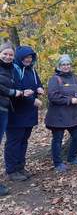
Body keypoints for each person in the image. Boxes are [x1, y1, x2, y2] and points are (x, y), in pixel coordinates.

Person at [5, 45, 44, 181]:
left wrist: (39, 88)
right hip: (16, 112)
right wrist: (32, 100)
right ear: (20, 57)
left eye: (30, 57)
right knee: (14, 142)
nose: (28, 60)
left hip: (29, 113)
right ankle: (11, 170)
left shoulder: (31, 70)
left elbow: (37, 83)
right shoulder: (14, 70)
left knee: (24, 141)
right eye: (26, 57)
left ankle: (20, 166)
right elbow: (16, 89)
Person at [45, 55, 77, 172]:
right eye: (63, 64)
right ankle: (57, 163)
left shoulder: (75, 78)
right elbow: (53, 97)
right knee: (57, 139)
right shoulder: (55, 79)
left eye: (68, 64)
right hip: (58, 117)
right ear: (59, 66)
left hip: (72, 116)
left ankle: (71, 157)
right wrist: (70, 100)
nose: (66, 66)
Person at [0, 43, 28, 195]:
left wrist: (21, 92)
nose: (8, 56)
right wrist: (13, 92)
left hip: (4, 109)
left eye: (10, 55)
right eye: (5, 53)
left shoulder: (10, 69)